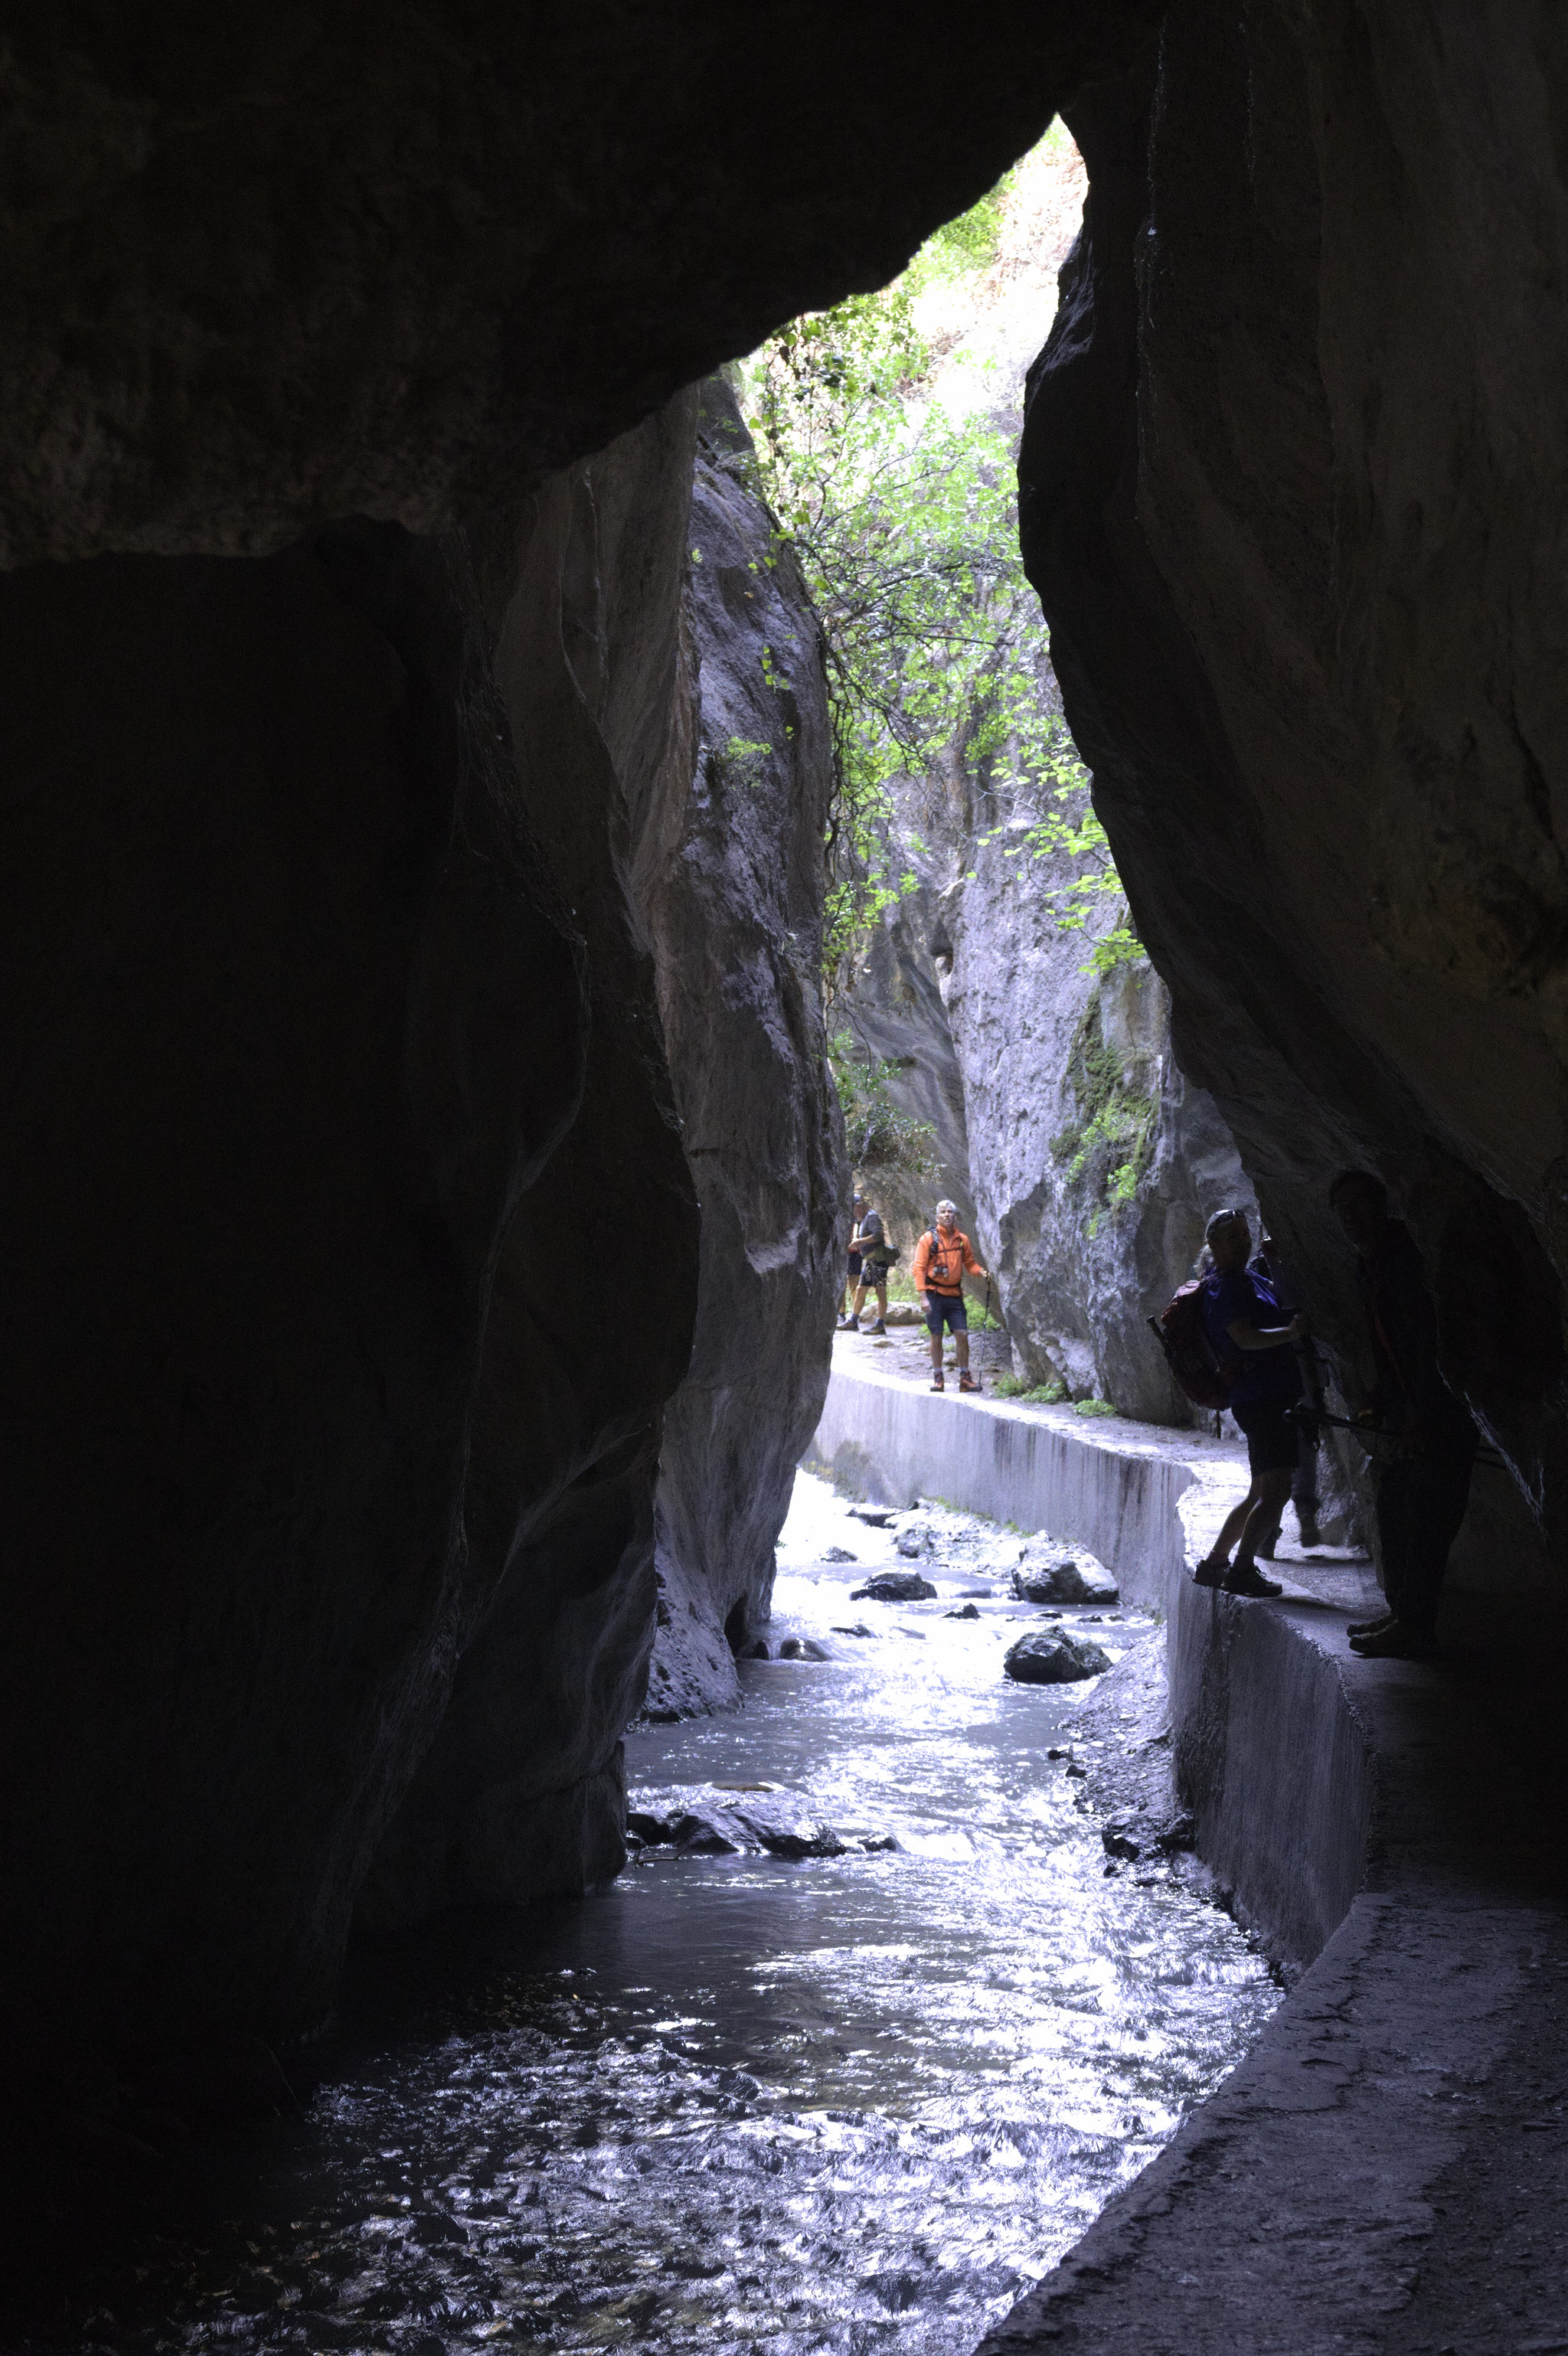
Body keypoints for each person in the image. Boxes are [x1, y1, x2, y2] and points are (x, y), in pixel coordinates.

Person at [1330, 1169, 1478, 1661]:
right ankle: (1403, 1615)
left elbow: (1427, 1345)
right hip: (1410, 1411)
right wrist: (1381, 1400)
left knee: (1426, 1521)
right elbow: (1388, 1348)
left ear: (1382, 1206)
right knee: (1395, 1508)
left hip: (1440, 1411)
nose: (1352, 1218)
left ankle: (1415, 1627)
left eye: (1360, 1206)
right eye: (1344, 1209)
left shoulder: (1403, 1261)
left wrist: (1420, 1412)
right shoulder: (1368, 1265)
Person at [1191, 1207, 1305, 1597]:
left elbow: (1275, 1300)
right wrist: (1289, 1334)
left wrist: (1273, 1261)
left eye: (1244, 1233)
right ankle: (1241, 1571)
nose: (1242, 1241)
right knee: (1277, 1492)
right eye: (1232, 1237)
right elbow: (1243, 1337)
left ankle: (1215, 1564)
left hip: (1261, 1395)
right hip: (1265, 1398)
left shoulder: (1243, 1277)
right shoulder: (1226, 1286)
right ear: (1214, 1245)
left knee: (1260, 1491)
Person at [1248, 1231, 1324, 1555]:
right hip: (1276, 1374)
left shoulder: (1294, 1266)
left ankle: (1292, 1520)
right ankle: (1271, 1533)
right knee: (1278, 1454)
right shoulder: (1257, 1270)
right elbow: (1285, 1304)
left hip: (1294, 1370)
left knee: (1299, 1443)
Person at [912, 1200, 988, 1394]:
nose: (947, 1215)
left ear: (954, 1216)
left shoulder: (962, 1240)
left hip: (954, 1294)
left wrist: (981, 1272)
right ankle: (938, 1377)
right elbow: (918, 1268)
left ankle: (965, 1377)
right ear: (937, 1217)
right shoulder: (928, 1239)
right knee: (936, 1335)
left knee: (962, 1334)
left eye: (950, 1212)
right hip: (934, 1293)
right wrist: (923, 1297)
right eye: (943, 1212)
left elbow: (970, 1264)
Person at [844, 1198, 891, 1335]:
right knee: (861, 1290)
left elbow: (878, 1235)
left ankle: (880, 1325)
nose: (857, 1211)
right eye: (855, 1208)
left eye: (859, 1207)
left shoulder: (871, 1217)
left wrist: (860, 1241)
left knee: (880, 1291)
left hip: (879, 1261)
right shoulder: (864, 1218)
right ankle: (853, 1321)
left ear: (865, 1206)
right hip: (871, 1261)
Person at [838, 1192, 867, 1328]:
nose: (858, 1209)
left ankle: (854, 1314)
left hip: (855, 1255)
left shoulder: (861, 1220)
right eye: (856, 1206)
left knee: (854, 1284)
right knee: (842, 1284)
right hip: (844, 1254)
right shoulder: (845, 1218)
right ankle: (841, 1312)